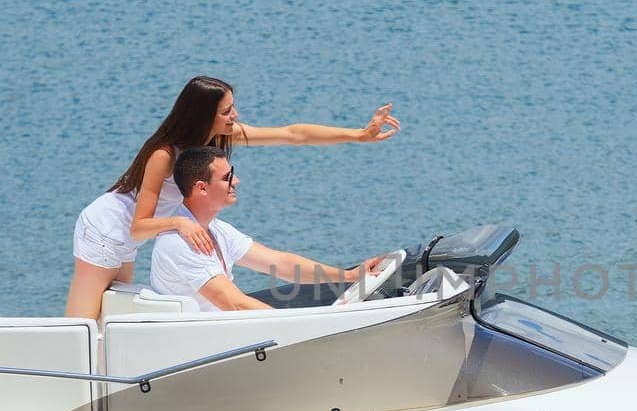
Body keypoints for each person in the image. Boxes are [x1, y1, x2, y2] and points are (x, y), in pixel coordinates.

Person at [65, 76, 400, 317]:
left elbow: (292, 134)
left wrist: (357, 135)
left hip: (135, 236)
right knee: (81, 323)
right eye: (227, 111)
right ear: (204, 115)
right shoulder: (164, 155)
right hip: (106, 231)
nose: (235, 116)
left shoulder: (217, 141)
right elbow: (138, 226)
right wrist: (180, 224)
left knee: (108, 316)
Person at [150, 147, 384, 311]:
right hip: (202, 347)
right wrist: (295, 327)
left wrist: (350, 276)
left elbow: (279, 263)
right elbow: (234, 304)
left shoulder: (217, 229)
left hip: (221, 333)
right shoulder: (180, 243)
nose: (237, 181)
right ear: (201, 188)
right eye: (227, 177)